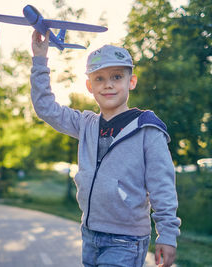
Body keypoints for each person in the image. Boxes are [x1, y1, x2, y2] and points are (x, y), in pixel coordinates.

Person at [30, 30, 181, 267]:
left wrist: (168, 234)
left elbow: (162, 186)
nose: (108, 85)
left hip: (126, 239)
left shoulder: (147, 129)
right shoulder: (86, 124)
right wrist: (40, 58)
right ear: (89, 86)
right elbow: (45, 108)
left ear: (131, 81)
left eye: (117, 77)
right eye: (99, 79)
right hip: (90, 233)